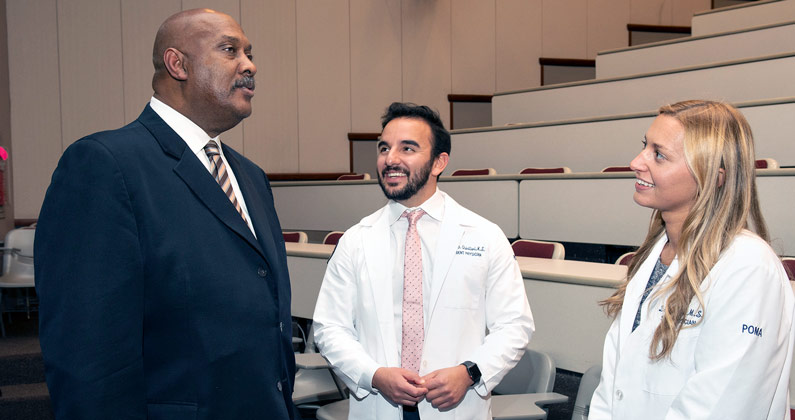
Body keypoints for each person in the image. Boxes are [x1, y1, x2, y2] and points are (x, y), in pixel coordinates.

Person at [34, 9, 300, 419]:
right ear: (178, 64)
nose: (250, 65)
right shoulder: (105, 166)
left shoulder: (251, 177)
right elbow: (88, 355)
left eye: (249, 53)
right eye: (230, 50)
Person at [312, 102, 534, 419]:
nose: (391, 159)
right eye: (384, 148)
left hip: (456, 406)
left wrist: (470, 372)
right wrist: (373, 375)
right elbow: (330, 328)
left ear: (438, 162)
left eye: (408, 148)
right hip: (379, 405)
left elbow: (515, 326)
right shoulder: (356, 240)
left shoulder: (484, 236)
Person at [590, 100, 795, 419]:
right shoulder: (654, 254)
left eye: (659, 154)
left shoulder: (749, 268)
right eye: (645, 146)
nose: (636, 162)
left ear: (714, 177)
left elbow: (721, 405)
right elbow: (613, 387)